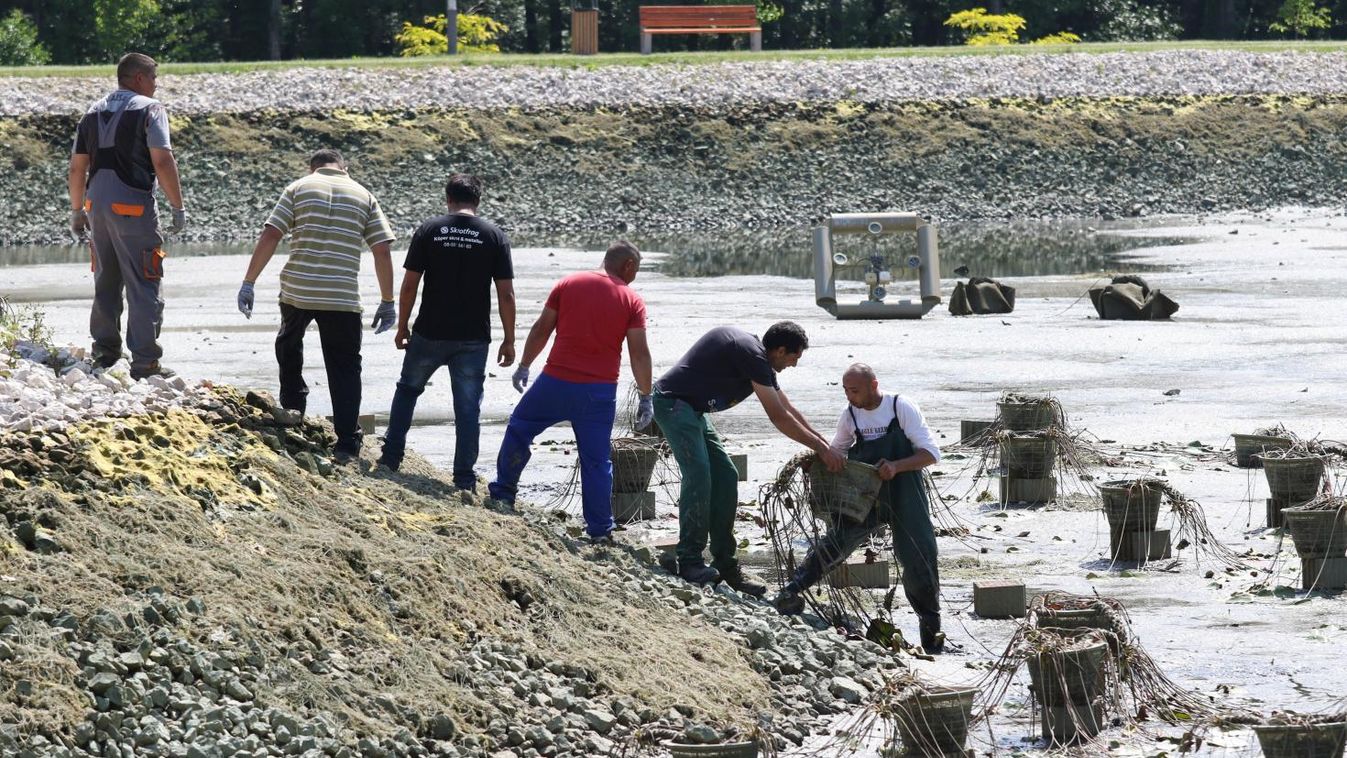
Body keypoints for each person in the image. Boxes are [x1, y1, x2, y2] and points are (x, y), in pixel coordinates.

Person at [653, 322, 846, 591]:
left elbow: (787, 408)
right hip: (673, 403)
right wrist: (822, 450)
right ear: (779, 350)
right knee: (699, 475)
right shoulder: (752, 355)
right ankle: (690, 560)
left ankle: (727, 567)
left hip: (693, 410)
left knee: (726, 475)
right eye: (794, 357)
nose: (794, 364)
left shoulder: (758, 360)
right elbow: (778, 417)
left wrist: (823, 444)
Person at [772, 363, 945, 654]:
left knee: (920, 558)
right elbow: (837, 452)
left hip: (905, 494)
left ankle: (931, 636)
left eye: (855, 390)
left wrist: (896, 466)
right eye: (846, 391)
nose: (850, 396)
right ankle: (792, 590)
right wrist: (817, 461)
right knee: (835, 543)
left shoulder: (900, 407)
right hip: (864, 497)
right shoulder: (850, 416)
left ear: (873, 385)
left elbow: (931, 453)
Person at [236, 149, 396, 461]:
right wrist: (388, 300)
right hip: (342, 295)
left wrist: (249, 281)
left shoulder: (299, 188)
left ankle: (295, 410)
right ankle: (348, 441)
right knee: (345, 367)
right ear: (343, 167)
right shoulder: (364, 195)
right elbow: (382, 250)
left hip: (299, 290)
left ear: (313, 167)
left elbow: (272, 233)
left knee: (289, 344)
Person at [488, 242, 652, 544]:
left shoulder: (568, 283)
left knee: (519, 429)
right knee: (596, 460)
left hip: (554, 382)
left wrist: (525, 365)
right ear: (628, 265)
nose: (634, 277)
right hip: (599, 392)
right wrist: (646, 395)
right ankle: (601, 531)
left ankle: (503, 494)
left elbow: (541, 329)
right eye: (636, 271)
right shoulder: (631, 300)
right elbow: (639, 353)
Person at [377, 174, 516, 488]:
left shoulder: (430, 230)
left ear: (448, 199)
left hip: (429, 331)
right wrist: (509, 339)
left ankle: (390, 458)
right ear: (477, 201)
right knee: (467, 409)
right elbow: (506, 294)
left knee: (408, 391)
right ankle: (464, 478)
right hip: (473, 338)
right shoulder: (493, 235)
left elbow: (410, 283)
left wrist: (402, 326)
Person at [68, 52, 187, 380]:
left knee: (105, 280)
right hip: (133, 207)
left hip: (96, 209)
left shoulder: (92, 112)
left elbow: (78, 167)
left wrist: (77, 211)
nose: (156, 83)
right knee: (144, 282)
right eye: (153, 76)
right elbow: (162, 161)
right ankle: (145, 364)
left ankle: (105, 356)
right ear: (138, 78)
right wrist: (178, 207)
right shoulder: (151, 108)